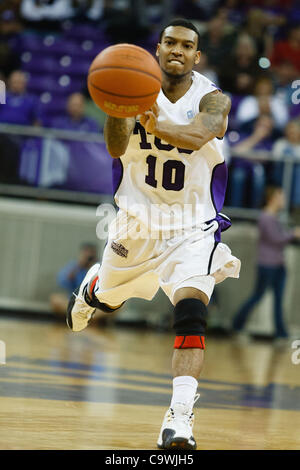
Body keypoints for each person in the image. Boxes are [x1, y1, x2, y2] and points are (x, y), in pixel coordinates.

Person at [66, 18, 241, 450]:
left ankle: (180, 418)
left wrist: (155, 123)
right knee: (110, 300)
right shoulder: (133, 84)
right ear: (158, 48)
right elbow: (113, 147)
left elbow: (201, 133)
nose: (177, 50)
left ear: (197, 56)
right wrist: (117, 107)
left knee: (192, 309)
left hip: (193, 225)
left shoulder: (214, 98)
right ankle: (94, 290)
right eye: (169, 43)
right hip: (136, 221)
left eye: (187, 45)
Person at [232, 185, 300, 341]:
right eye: (280, 196)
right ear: (273, 198)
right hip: (267, 265)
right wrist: (293, 234)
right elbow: (276, 239)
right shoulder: (266, 217)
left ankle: (281, 334)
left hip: (278, 264)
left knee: (278, 300)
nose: (283, 200)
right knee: (257, 296)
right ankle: (237, 325)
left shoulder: (274, 217)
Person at [50, 243, 98, 316]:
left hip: (92, 304)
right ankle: (79, 314)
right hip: (73, 302)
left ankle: (80, 315)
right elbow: (61, 282)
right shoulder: (74, 266)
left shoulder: (98, 268)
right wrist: (79, 266)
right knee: (55, 299)